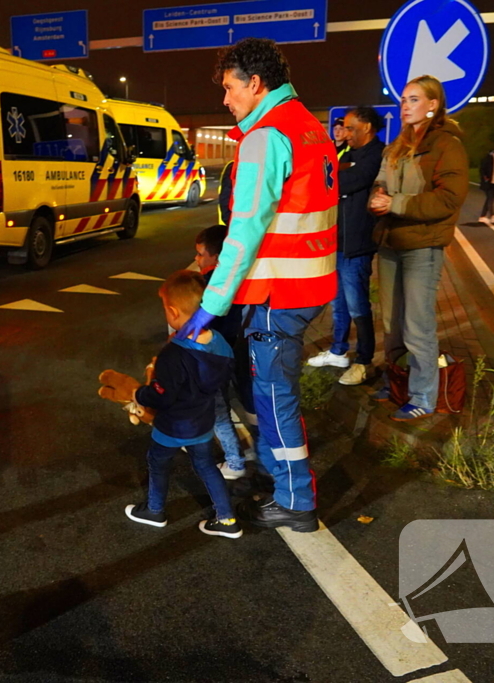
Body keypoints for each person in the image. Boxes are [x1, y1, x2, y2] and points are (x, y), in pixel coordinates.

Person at [179, 38, 338, 533]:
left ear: (255, 83)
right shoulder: (311, 127)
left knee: (274, 400)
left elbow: (243, 233)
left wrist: (209, 306)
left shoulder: (266, 137)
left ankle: (295, 501)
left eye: (230, 88)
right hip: (311, 283)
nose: (226, 100)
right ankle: (284, 482)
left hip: (277, 292)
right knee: (277, 395)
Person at [369, 75, 469, 421]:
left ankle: (424, 395)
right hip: (391, 244)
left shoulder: (446, 145)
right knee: (391, 323)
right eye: (403, 100)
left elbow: (448, 198)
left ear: (433, 105)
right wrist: (377, 198)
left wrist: (393, 203)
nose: (405, 106)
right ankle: (396, 382)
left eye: (414, 99)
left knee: (417, 324)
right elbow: (380, 183)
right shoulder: (397, 145)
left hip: (422, 247)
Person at [125, 270, 241, 539]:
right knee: (206, 465)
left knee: (158, 461)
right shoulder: (219, 343)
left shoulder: (173, 354)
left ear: (173, 311)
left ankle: (155, 511)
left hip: (172, 425)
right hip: (202, 422)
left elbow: (161, 395)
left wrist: (140, 394)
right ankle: (227, 519)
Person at [307, 107, 386, 386]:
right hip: (337, 243)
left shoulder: (378, 154)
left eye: (351, 128)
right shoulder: (348, 154)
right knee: (338, 304)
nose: (345, 133)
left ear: (366, 128)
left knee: (358, 307)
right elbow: (330, 174)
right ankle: (339, 351)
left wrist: (333, 181)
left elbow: (352, 180)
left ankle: (364, 360)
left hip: (357, 246)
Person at [195, 225, 247, 479]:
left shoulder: (210, 285)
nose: (197, 259)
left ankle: (235, 462)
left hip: (214, 358)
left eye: (201, 254)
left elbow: (203, 323)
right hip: (234, 351)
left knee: (218, 410)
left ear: (217, 257)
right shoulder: (238, 279)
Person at [217, 160, 234, 226]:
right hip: (231, 224)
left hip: (230, 224)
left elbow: (225, 196)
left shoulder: (232, 166)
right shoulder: (233, 167)